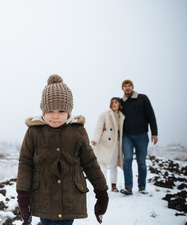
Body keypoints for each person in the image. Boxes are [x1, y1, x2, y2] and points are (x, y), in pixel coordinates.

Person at [16, 74, 109, 225]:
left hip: (69, 199)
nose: (55, 116)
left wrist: (101, 192)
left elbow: (90, 163)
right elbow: (25, 163)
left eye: (61, 111)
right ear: (43, 110)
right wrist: (23, 196)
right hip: (43, 197)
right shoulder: (34, 132)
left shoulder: (77, 131)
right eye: (50, 111)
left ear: (69, 111)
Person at [120, 79, 158, 195]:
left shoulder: (143, 98)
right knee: (127, 160)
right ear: (123, 88)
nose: (127, 88)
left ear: (132, 87)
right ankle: (128, 187)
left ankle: (142, 187)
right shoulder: (121, 102)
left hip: (142, 135)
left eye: (129, 85)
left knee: (141, 162)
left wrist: (154, 133)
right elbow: (115, 116)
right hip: (127, 136)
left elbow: (151, 115)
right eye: (125, 86)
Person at [91, 97, 125, 193]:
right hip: (104, 143)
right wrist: (95, 139)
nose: (114, 104)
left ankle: (113, 185)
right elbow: (98, 127)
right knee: (103, 164)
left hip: (115, 144)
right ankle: (101, 186)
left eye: (116, 102)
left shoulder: (122, 116)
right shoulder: (105, 114)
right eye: (112, 102)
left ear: (119, 105)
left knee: (113, 165)